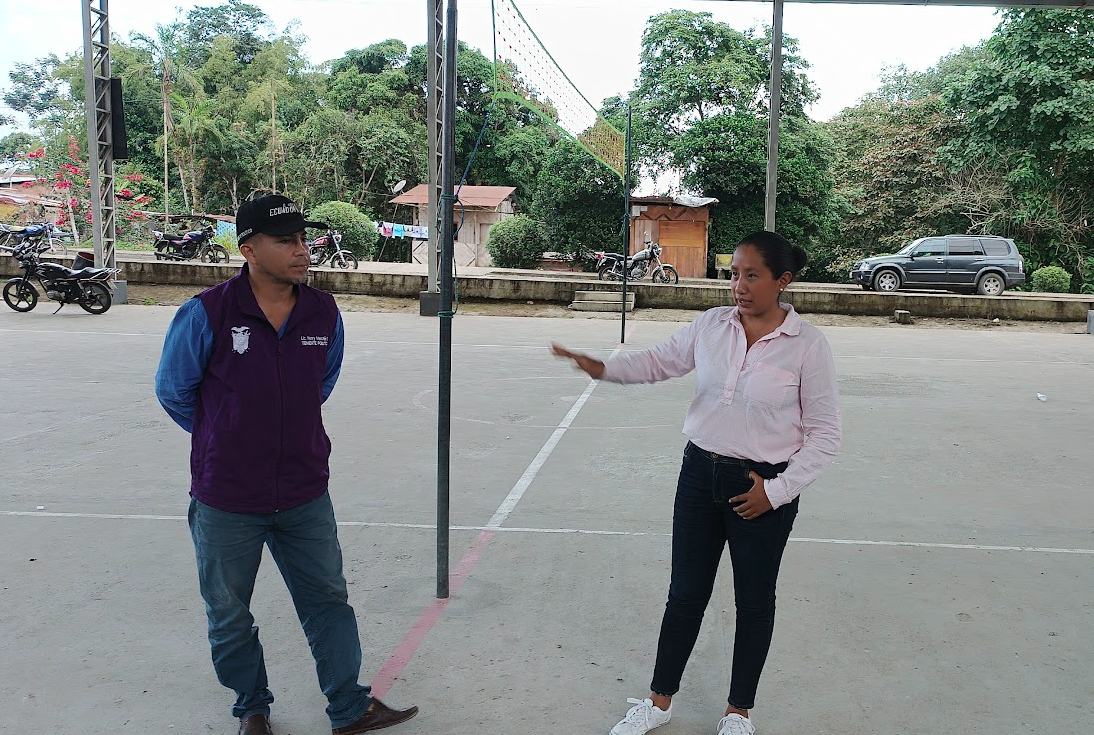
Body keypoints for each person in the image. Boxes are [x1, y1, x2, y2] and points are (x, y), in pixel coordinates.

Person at [553, 231, 842, 735]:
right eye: (734, 274)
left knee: (754, 601)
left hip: (760, 490)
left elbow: (825, 436)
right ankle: (659, 701)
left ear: (783, 281)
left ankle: (738, 713)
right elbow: (658, 361)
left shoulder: (808, 345)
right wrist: (603, 368)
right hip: (699, 476)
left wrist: (775, 493)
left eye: (752, 276)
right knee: (685, 594)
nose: (739, 286)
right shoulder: (712, 325)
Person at [155, 194, 418, 735]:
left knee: (328, 601)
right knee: (229, 610)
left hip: (304, 491)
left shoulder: (323, 311)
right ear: (248, 250)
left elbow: (322, 381)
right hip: (227, 496)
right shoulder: (206, 313)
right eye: (286, 241)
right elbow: (174, 391)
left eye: (303, 239)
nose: (302, 250)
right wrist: (225, 436)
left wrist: (285, 429)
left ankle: (349, 706)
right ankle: (252, 707)